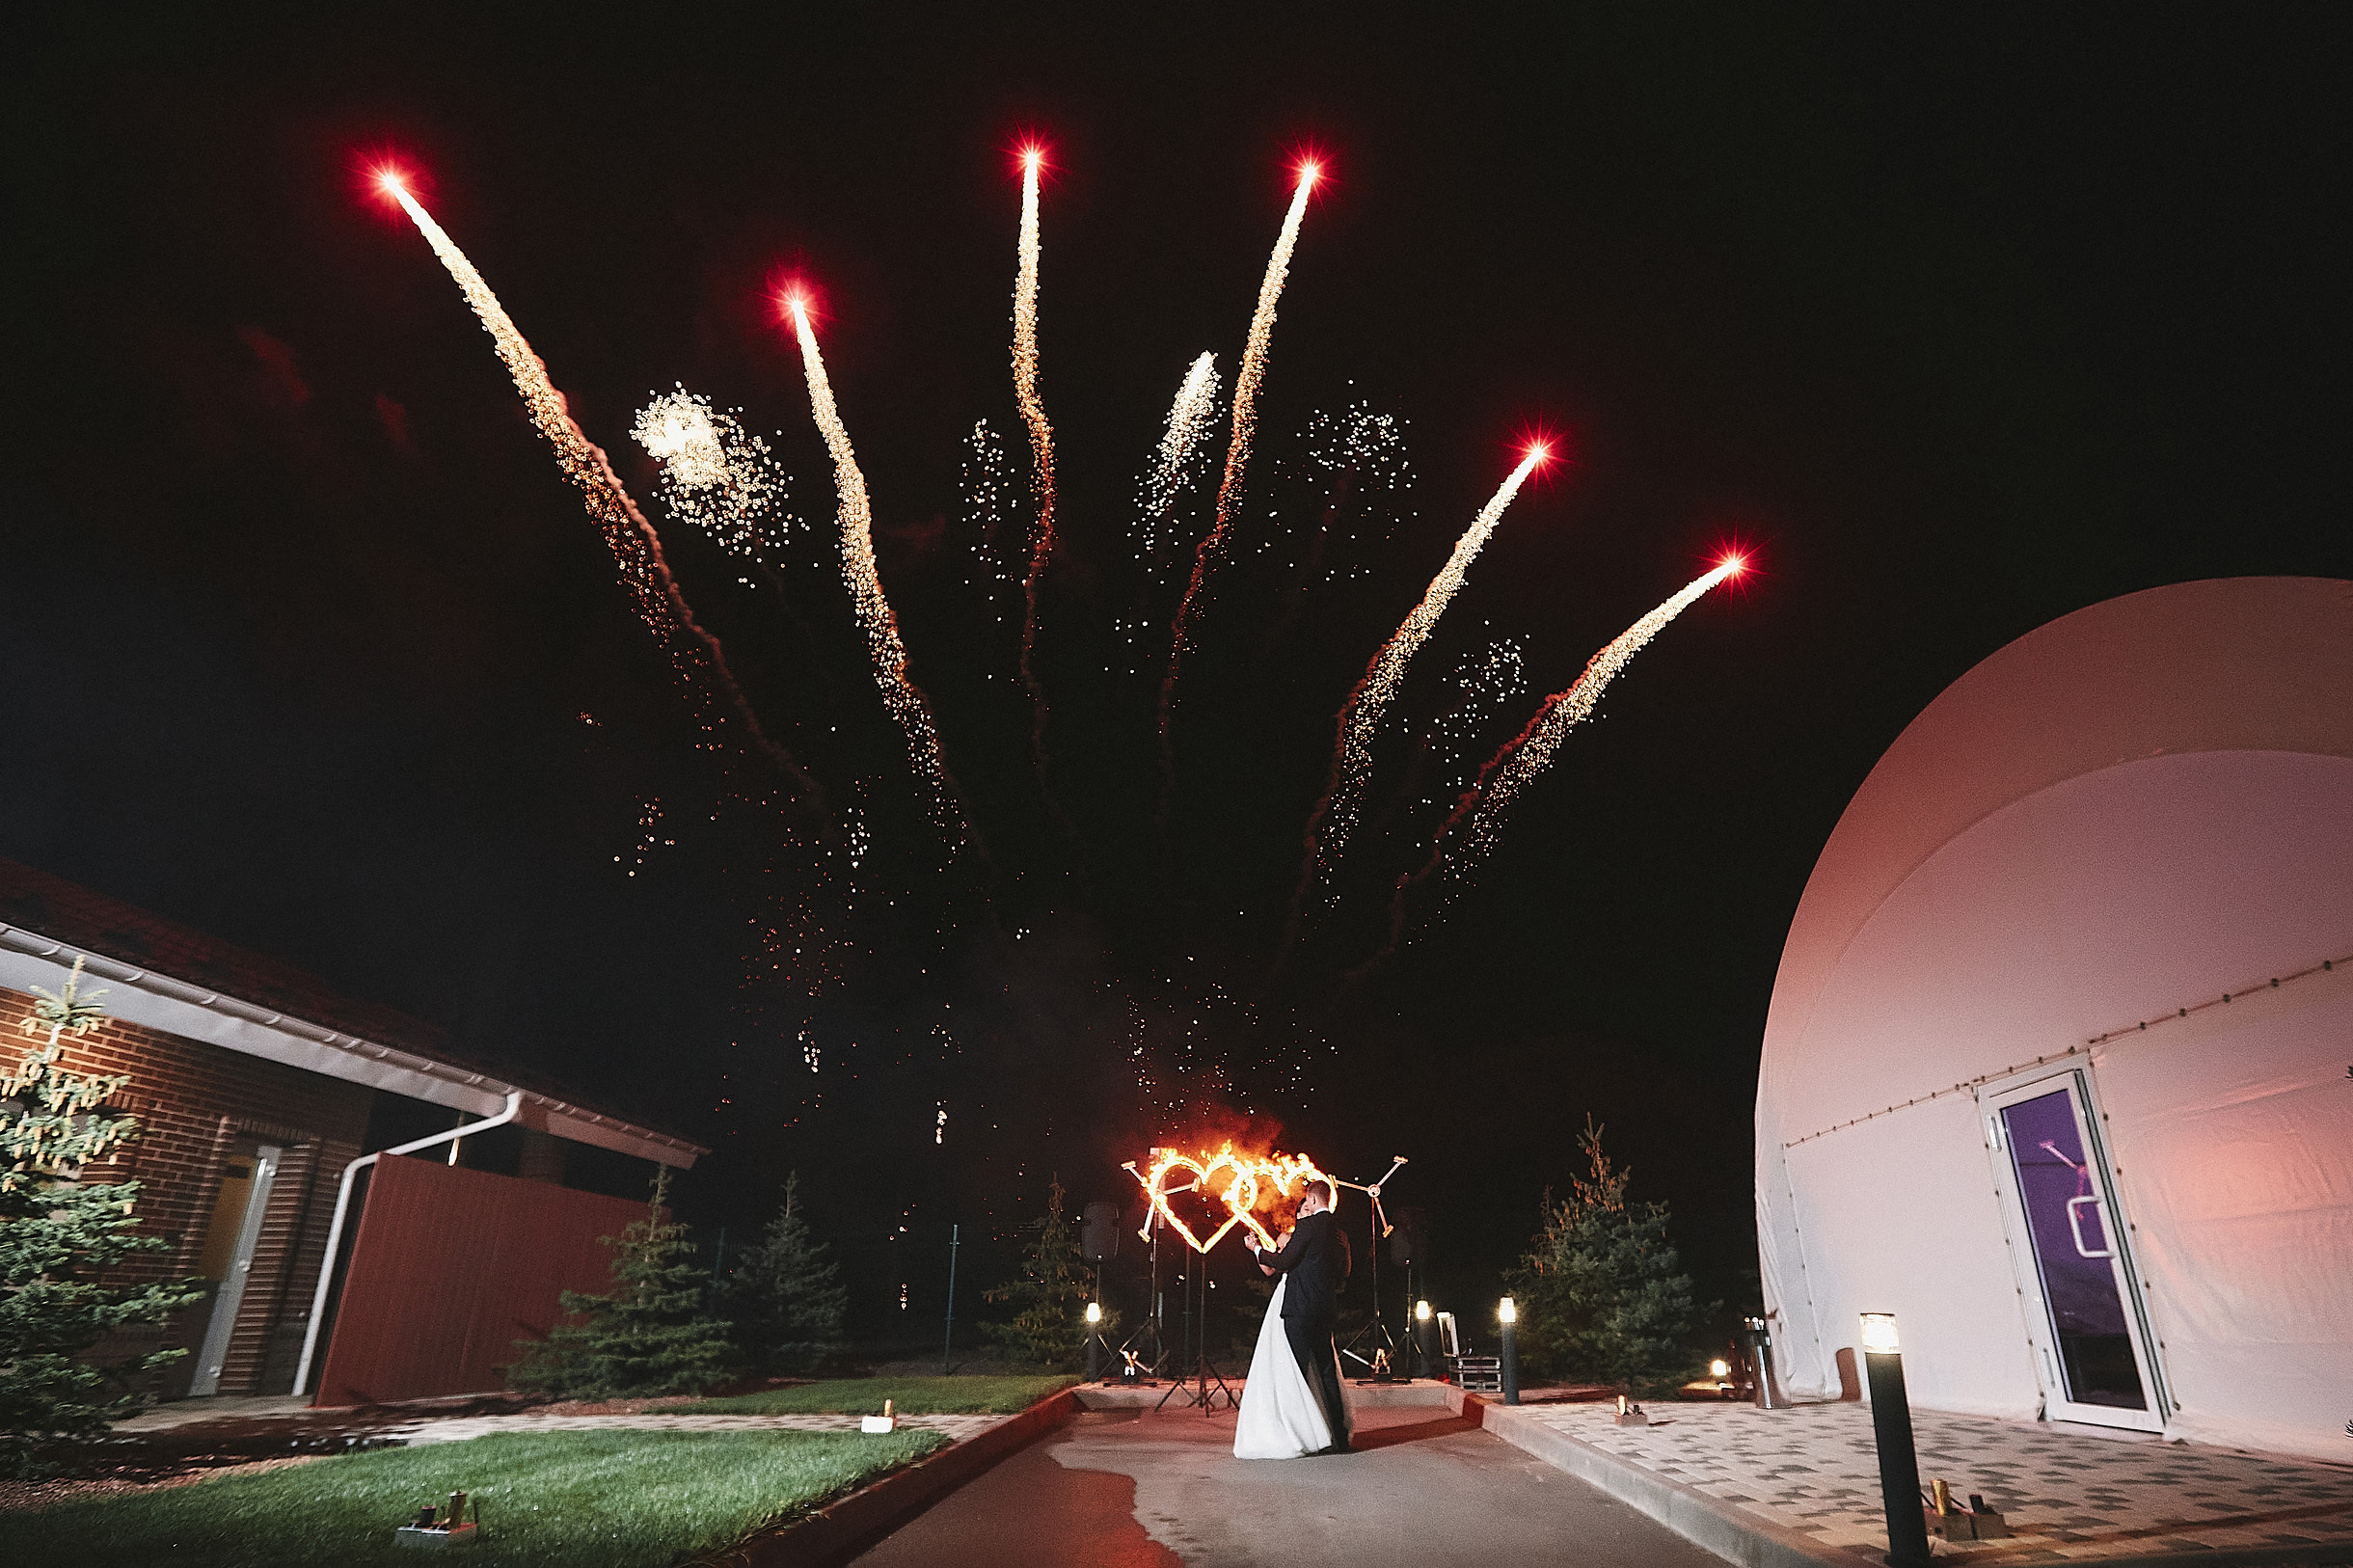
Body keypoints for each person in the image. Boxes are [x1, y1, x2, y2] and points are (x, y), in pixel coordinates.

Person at [1239, 1178, 1353, 1455]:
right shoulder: (1340, 1234)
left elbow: (1282, 1263)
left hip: (1299, 1308)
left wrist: (1255, 1249)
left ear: (1312, 1201)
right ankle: (1338, 1436)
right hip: (1324, 1309)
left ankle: (1300, 1436)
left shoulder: (1308, 1227)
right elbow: (1343, 1273)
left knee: (1296, 1372)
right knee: (1326, 1371)